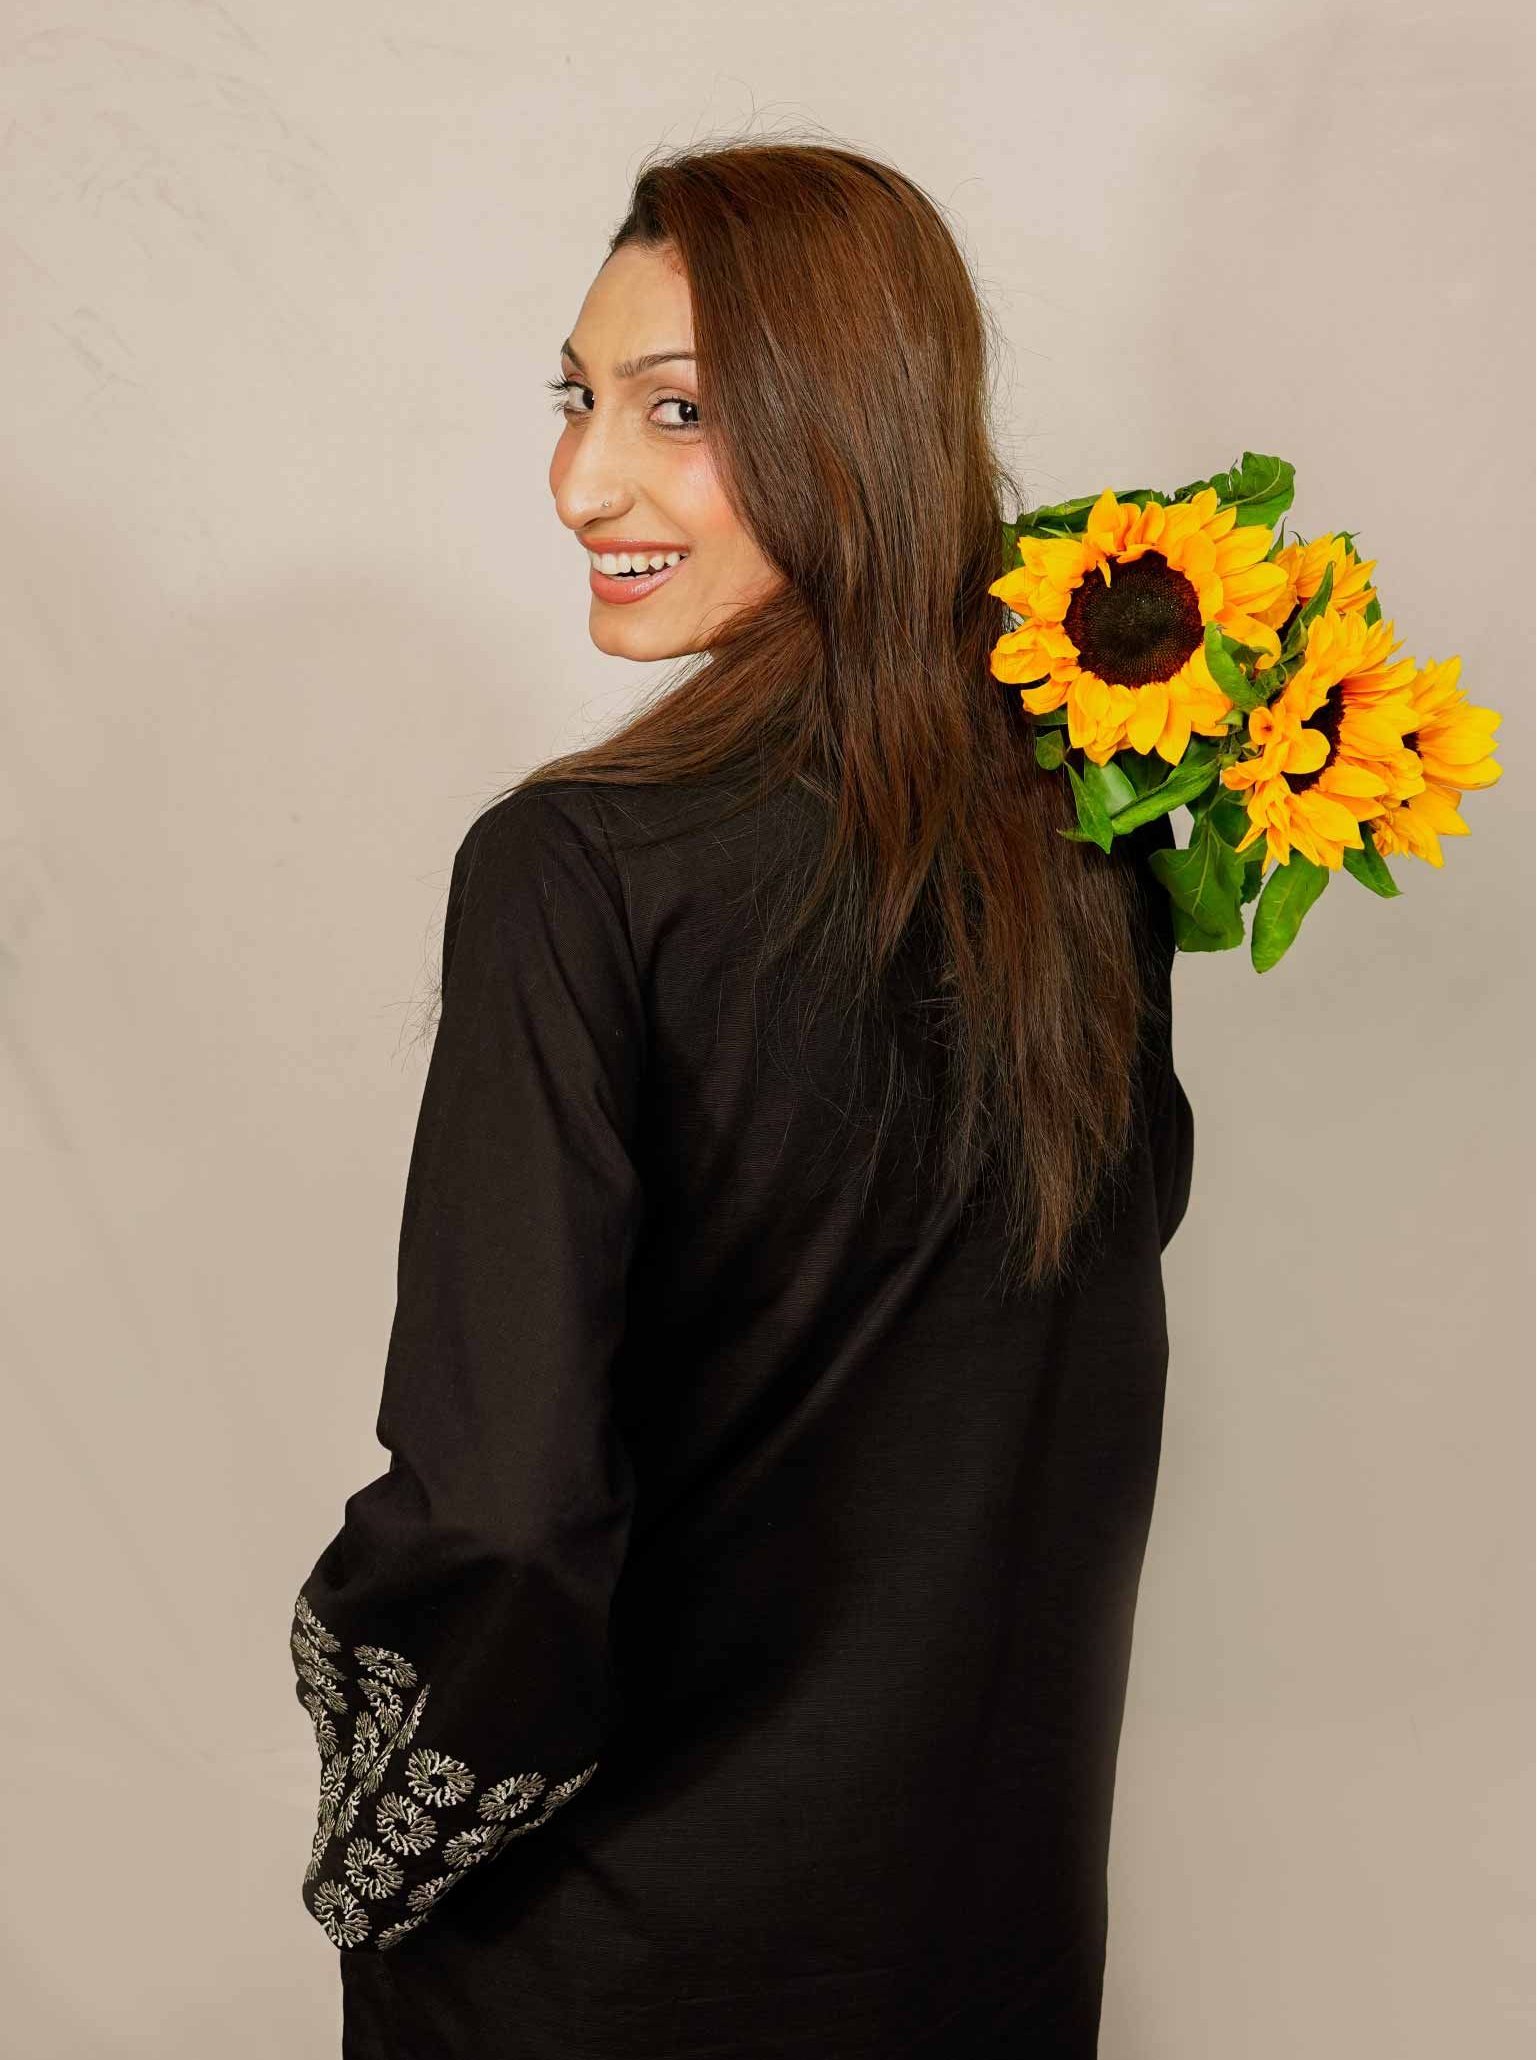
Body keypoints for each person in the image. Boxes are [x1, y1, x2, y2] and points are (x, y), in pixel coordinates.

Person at [287, 138, 1196, 2059]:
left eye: (676, 411)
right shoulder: (1083, 835)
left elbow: (500, 1514)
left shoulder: (577, 869)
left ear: (851, 426)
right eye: (575, 399)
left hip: (619, 1964)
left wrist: (380, 1797)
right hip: (981, 1940)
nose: (579, 481)